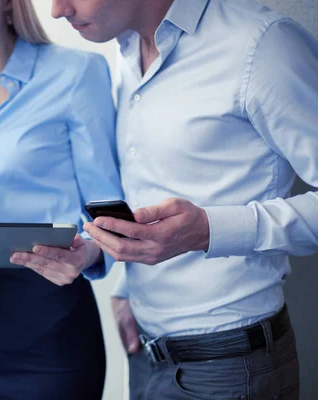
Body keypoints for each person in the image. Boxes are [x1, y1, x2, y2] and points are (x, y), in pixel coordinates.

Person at [48, 0, 318, 398]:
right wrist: (121, 283)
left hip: (229, 368)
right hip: (146, 357)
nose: (57, 10)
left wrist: (207, 231)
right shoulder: (122, 51)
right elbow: (153, 185)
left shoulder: (261, 46)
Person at [0, 0, 123, 398]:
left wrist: (87, 253)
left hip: (52, 327)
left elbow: (110, 210)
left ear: (9, 6)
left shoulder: (76, 74)